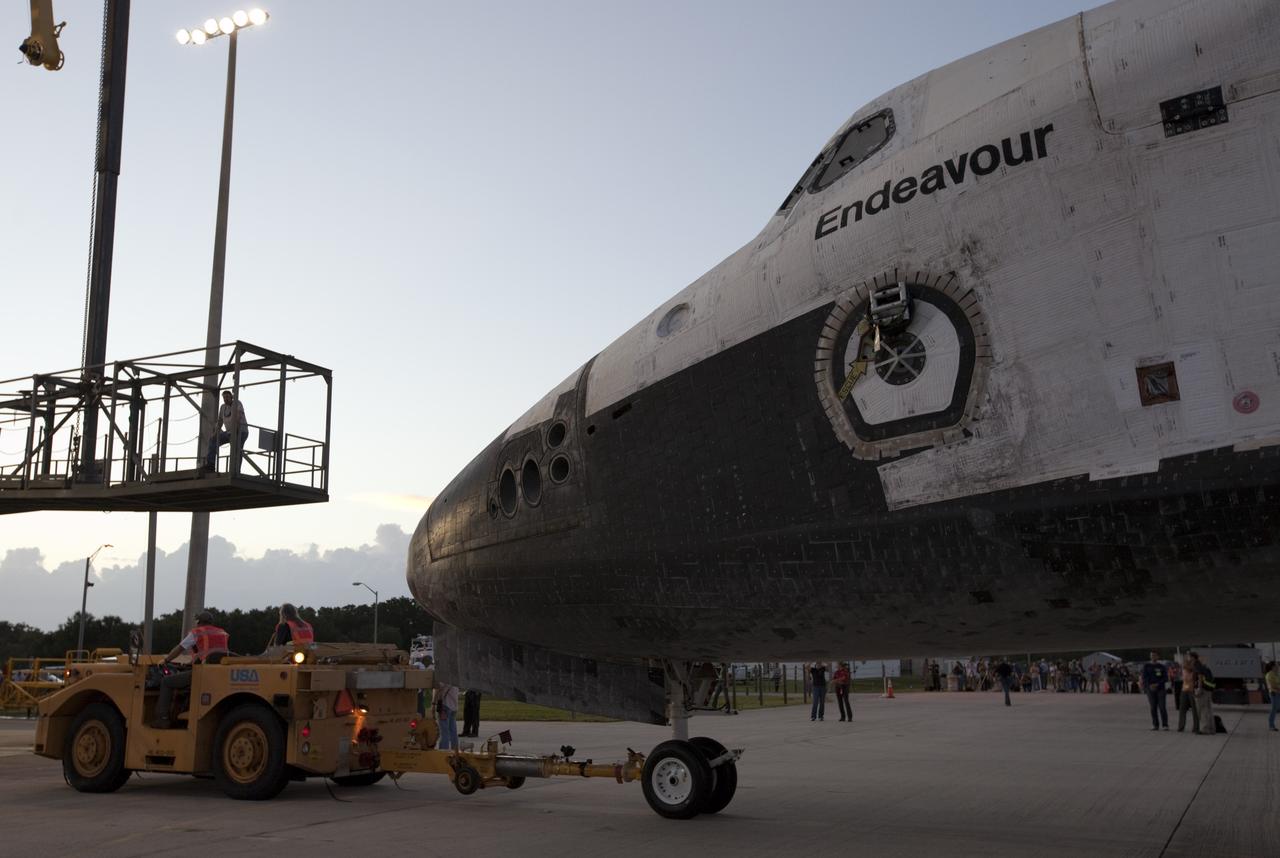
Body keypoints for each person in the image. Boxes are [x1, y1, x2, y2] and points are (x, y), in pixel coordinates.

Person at [153, 609, 229, 729]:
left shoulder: (197, 633)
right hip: (218, 672)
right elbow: (211, 653)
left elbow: (180, 648)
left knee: (166, 682)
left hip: (202, 673)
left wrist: (166, 660)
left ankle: (162, 719)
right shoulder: (222, 633)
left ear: (199, 622)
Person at [205, 389, 248, 471]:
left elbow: (238, 417)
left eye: (227, 397)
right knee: (213, 440)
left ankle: (235, 470)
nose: (225, 399)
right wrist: (215, 433)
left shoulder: (237, 403)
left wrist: (236, 429)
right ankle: (211, 465)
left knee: (236, 450)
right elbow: (220, 421)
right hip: (229, 432)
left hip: (241, 431)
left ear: (231, 397)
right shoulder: (222, 407)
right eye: (224, 397)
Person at [1141, 651, 1169, 730]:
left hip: (1161, 689)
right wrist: (1149, 685)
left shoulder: (1161, 666)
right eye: (1152, 655)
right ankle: (1155, 725)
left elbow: (1165, 678)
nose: (1153, 657)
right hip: (1150, 689)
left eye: (1154, 655)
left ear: (1158, 657)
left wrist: (1157, 684)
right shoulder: (1146, 666)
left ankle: (1165, 724)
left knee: (1162, 707)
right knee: (1153, 707)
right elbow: (1144, 677)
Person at [1193, 653, 1216, 735]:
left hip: (1202, 690)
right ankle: (1211, 729)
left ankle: (1205, 729)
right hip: (1208, 690)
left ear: (1193, 658)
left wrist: (1199, 689)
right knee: (1208, 710)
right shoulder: (1204, 666)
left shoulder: (1197, 665)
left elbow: (1200, 676)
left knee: (1202, 710)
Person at [1176, 653, 1200, 733]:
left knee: (1194, 710)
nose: (1188, 658)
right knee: (1182, 708)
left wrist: (1189, 666)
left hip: (1192, 690)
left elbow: (1192, 670)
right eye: (1188, 657)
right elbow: (1184, 667)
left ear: (1194, 658)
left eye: (1190, 657)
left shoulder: (1196, 666)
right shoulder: (1185, 665)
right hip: (1184, 689)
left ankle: (1196, 727)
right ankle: (1181, 727)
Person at [435, 682, 459, 750]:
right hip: (454, 707)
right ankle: (455, 751)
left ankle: (443, 752)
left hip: (445, 706)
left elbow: (439, 689)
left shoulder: (445, 677)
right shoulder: (456, 678)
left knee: (444, 732)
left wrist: (434, 702)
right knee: (453, 731)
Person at [1264, 660, 1280, 732]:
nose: (1278, 666)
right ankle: (1271, 725)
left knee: (1276, 708)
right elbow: (1272, 685)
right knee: (1274, 709)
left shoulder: (1276, 674)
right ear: (1273, 667)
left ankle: (1271, 725)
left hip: (1278, 693)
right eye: (1276, 665)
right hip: (1274, 693)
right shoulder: (1269, 674)